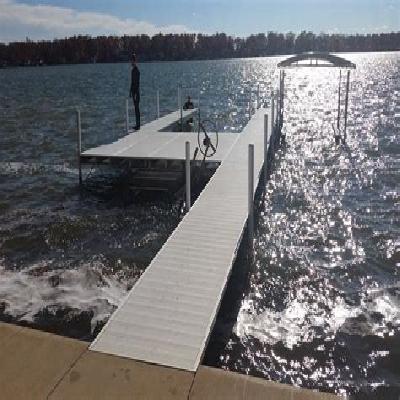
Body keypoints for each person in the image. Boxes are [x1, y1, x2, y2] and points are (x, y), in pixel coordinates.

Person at [129, 53, 140, 130]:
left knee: (137, 108)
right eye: (131, 61)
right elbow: (132, 82)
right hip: (133, 92)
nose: (131, 62)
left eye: (132, 61)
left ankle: (138, 125)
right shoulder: (133, 70)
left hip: (136, 92)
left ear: (135, 61)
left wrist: (135, 93)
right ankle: (137, 124)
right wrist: (130, 92)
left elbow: (137, 83)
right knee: (136, 108)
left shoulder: (136, 70)